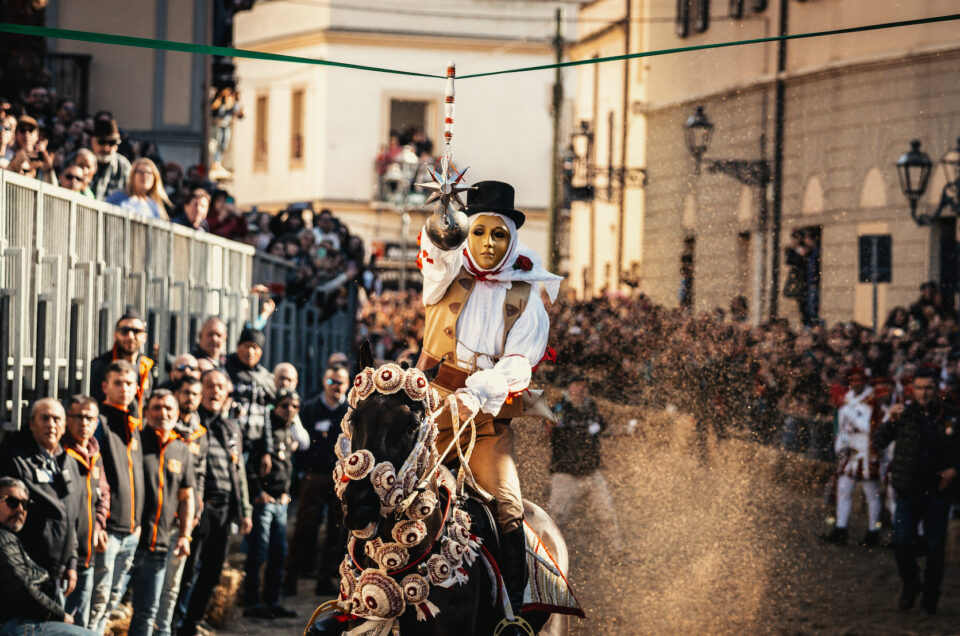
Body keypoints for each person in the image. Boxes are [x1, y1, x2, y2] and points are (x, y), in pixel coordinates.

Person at [417, 180, 562, 633]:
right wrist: (443, 224)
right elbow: (437, 252)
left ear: (511, 239)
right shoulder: (444, 272)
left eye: (497, 235)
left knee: (507, 505)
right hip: (427, 413)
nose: (486, 244)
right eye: (478, 232)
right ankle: (353, 596)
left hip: (486, 421)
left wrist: (477, 393)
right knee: (379, 485)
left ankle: (513, 617)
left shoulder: (526, 298)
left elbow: (519, 365)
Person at [874, 368, 960, 615]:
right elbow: (879, 442)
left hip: (938, 492)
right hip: (908, 491)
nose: (924, 393)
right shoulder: (903, 414)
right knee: (900, 543)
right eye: (919, 388)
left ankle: (931, 595)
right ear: (912, 389)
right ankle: (911, 585)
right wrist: (889, 420)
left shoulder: (951, 416)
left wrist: (955, 469)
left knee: (935, 549)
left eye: (929, 388)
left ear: (937, 389)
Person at [176, 369, 252, 636]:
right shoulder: (192, 425)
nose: (215, 391)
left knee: (212, 574)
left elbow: (239, 470)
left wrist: (245, 510)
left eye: (221, 386)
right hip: (199, 509)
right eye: (210, 386)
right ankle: (177, 624)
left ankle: (192, 623)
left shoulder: (231, 427)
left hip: (224, 510)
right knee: (188, 574)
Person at [0, 399, 83, 604]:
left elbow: (70, 516)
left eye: (56, 419)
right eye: (44, 418)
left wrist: (71, 563)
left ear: (64, 426)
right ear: (32, 424)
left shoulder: (69, 462)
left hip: (59, 572)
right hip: (28, 571)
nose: (51, 424)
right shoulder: (17, 461)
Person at [128, 391, 195, 636]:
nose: (162, 413)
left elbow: (187, 496)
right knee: (108, 604)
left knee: (148, 613)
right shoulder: (134, 441)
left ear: (177, 413)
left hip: (159, 544)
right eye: (156, 408)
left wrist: (185, 535)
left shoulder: (181, 449)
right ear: (146, 412)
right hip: (129, 539)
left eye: (168, 408)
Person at [88, 361, 145, 634]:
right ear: (105, 386)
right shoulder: (99, 423)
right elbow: (92, 476)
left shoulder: (133, 423)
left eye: (129, 383)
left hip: (131, 531)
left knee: (111, 603)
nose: (124, 389)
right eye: (117, 383)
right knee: (96, 603)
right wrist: (98, 523)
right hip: (108, 530)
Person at [284, 366, 349, 596]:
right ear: (324, 381)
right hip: (315, 476)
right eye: (331, 380)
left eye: (340, 381)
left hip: (341, 479)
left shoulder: (351, 411)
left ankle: (325, 579)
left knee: (335, 531)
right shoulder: (311, 408)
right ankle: (290, 578)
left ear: (347, 383)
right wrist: (302, 473)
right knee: (304, 528)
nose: (336, 385)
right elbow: (300, 442)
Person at [0, 476, 95, 634]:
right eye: (12, 502)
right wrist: (59, 614)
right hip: (15, 624)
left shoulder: (9, 537)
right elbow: (22, 588)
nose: (20, 509)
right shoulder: (3, 539)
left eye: (25, 504)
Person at [154, 378, 207, 636]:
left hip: (183, 520)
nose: (190, 397)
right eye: (185, 392)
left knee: (173, 586)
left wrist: (195, 512)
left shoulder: (200, 433)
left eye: (195, 393)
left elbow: (199, 477)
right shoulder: (160, 434)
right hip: (157, 519)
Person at [546, 374, 623, 552]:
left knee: (607, 514)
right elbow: (548, 429)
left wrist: (626, 428)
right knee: (556, 518)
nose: (581, 389)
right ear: (569, 387)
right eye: (577, 385)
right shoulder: (560, 407)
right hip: (565, 473)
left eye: (584, 386)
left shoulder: (592, 408)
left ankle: (616, 551)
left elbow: (606, 428)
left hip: (591, 473)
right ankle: (546, 553)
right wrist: (549, 425)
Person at [243, 389, 299, 619]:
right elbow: (249, 466)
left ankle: (272, 601)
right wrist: (258, 492)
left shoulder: (288, 432)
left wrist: (286, 492)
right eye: (285, 405)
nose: (290, 410)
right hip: (265, 502)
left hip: (281, 502)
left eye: (295, 406)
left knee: (279, 553)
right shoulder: (265, 435)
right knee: (259, 552)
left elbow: (287, 469)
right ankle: (253, 602)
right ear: (275, 408)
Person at [62, 396, 111, 628]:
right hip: (63, 558)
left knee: (80, 623)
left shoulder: (95, 455)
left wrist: (100, 524)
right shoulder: (60, 454)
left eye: (90, 418)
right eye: (78, 417)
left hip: (87, 555)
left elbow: (103, 493)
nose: (84, 422)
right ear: (67, 420)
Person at [821, 366, 883, 546]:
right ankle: (841, 530)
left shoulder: (872, 401)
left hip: (867, 450)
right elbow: (843, 428)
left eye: (859, 380)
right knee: (843, 490)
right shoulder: (848, 401)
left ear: (865, 381)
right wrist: (840, 446)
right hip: (850, 452)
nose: (856, 383)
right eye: (853, 380)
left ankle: (873, 533)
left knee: (872, 493)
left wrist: (852, 417)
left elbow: (869, 426)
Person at [89, 307, 154, 421]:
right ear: (115, 334)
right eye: (124, 331)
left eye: (136, 331)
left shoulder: (146, 367)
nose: (130, 336)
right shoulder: (99, 366)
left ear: (144, 337)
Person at [225, 327, 276, 462]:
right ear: (238, 346)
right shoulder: (225, 369)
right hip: (229, 440)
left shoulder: (265, 378)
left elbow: (266, 414)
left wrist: (267, 450)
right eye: (247, 346)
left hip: (255, 445)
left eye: (255, 347)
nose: (250, 351)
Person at [106, 157, 171, 220]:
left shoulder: (155, 206)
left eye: (149, 173)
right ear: (133, 175)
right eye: (141, 172)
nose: (145, 175)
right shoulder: (118, 197)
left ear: (155, 178)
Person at [88, 117, 131, 200]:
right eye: (102, 142)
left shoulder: (123, 166)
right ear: (92, 141)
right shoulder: (79, 159)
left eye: (112, 143)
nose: (106, 148)